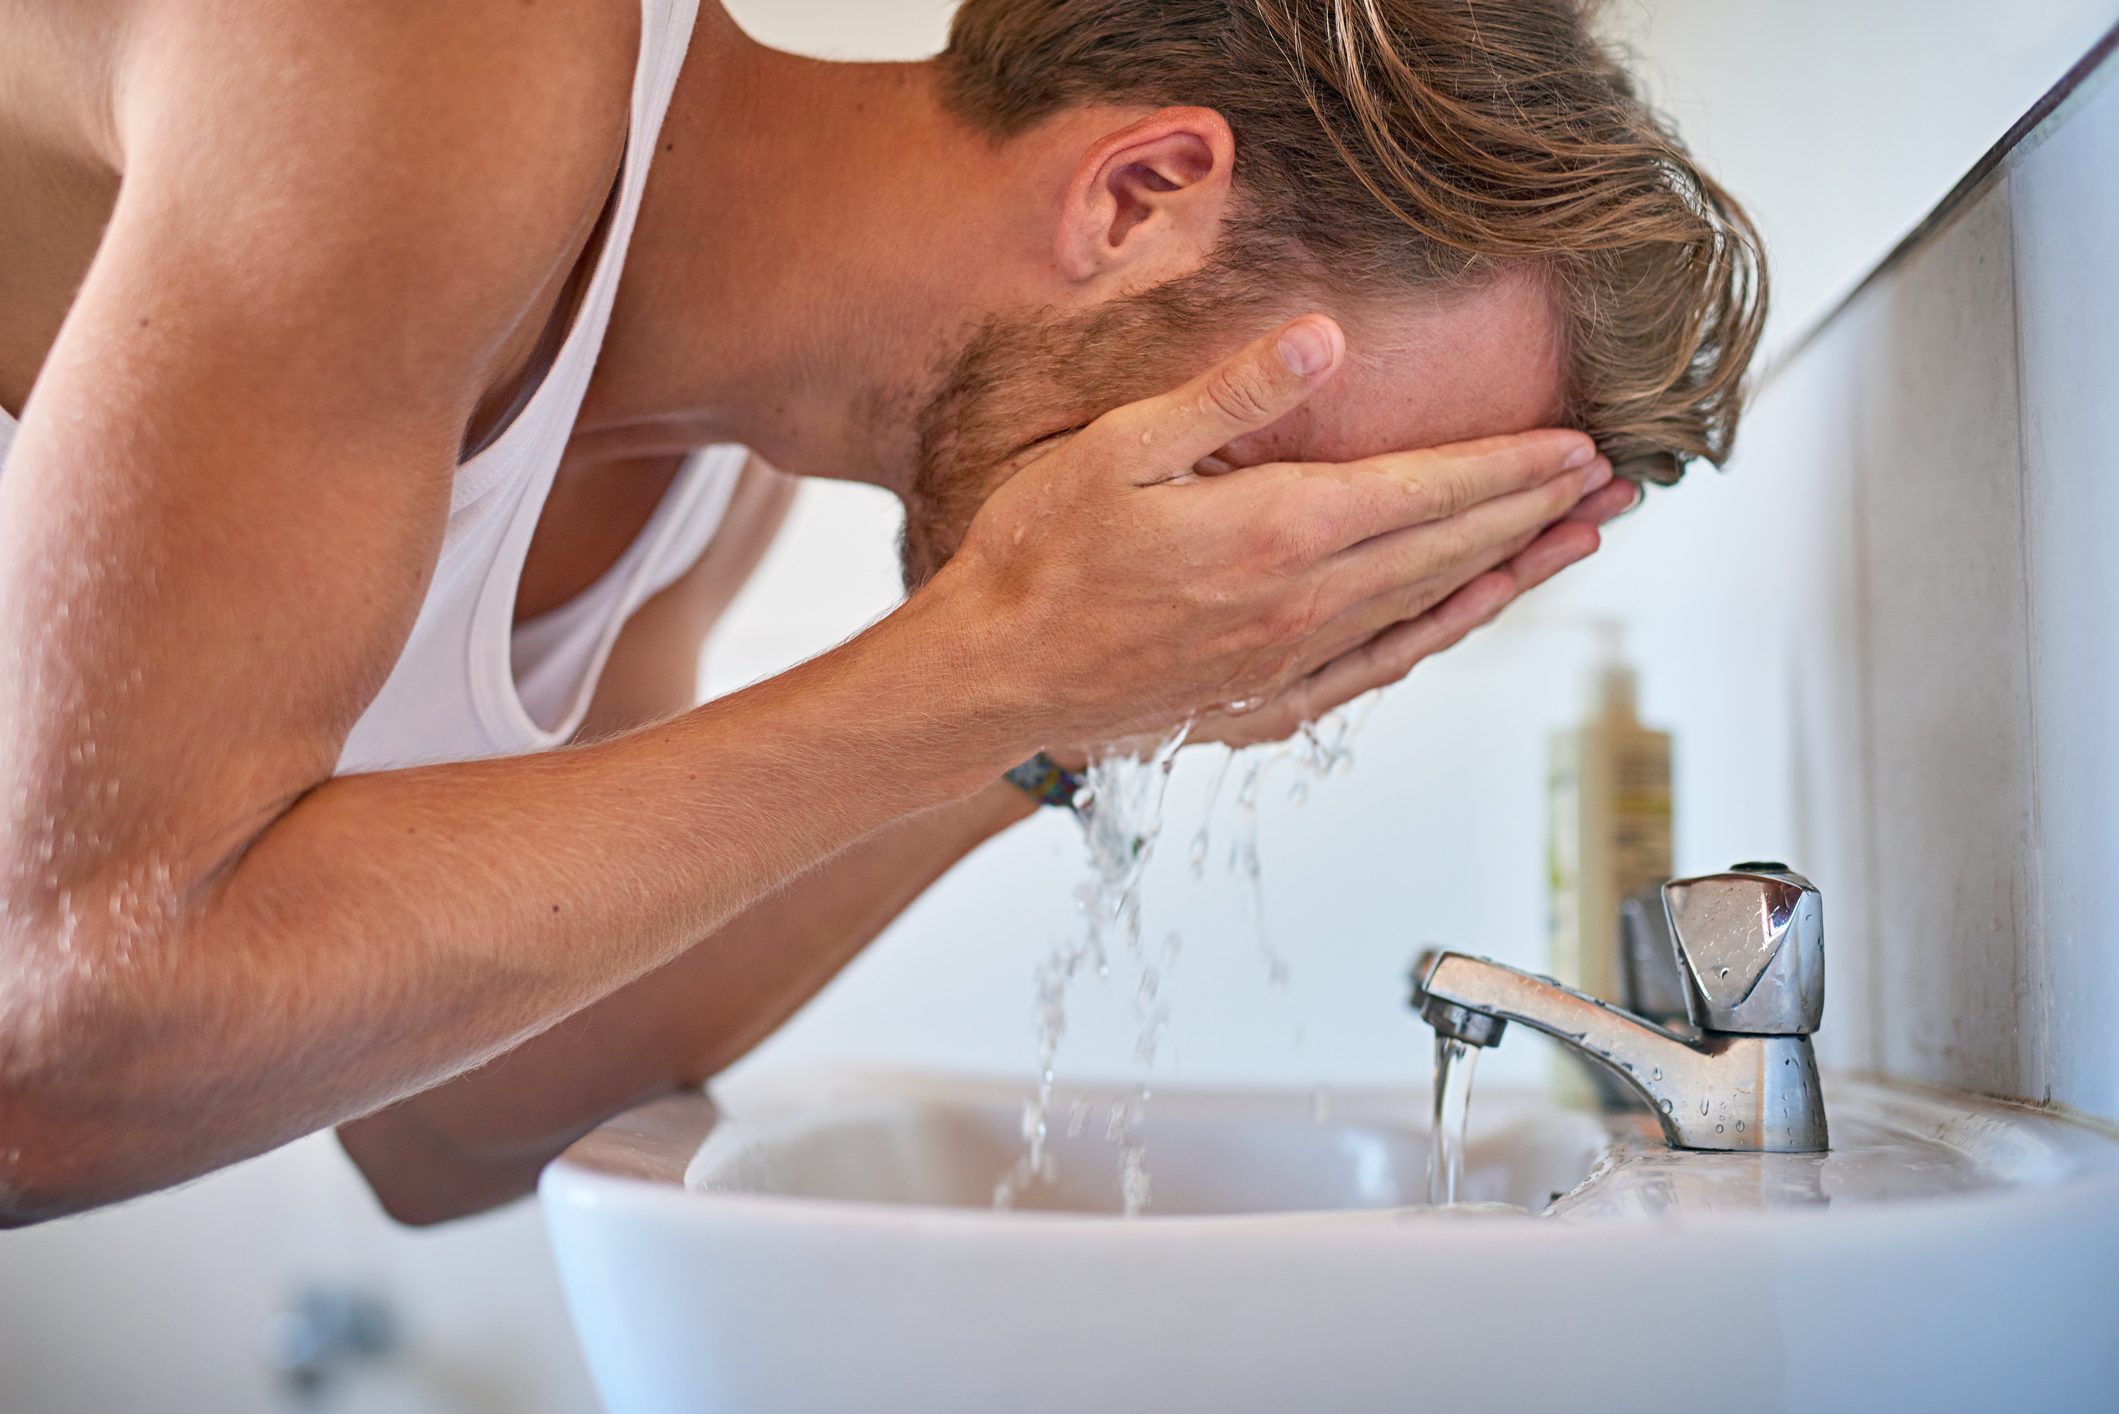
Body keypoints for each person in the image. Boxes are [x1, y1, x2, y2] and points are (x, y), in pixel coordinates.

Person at [0, 0, 1762, 1226]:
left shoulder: (709, 489)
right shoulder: (450, 46)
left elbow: (431, 1127)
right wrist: (982, 667)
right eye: (1322, 486)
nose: (1291, 577)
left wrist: (1042, 720)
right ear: (1141, 197)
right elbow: (51, 1055)